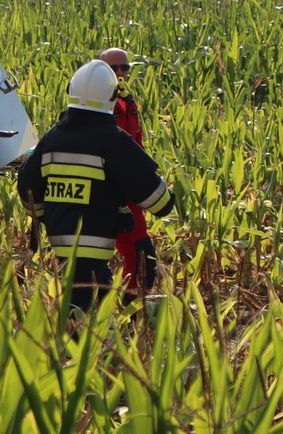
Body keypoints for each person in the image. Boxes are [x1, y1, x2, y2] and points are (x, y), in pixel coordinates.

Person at [17, 60, 174, 311]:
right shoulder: (112, 140)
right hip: (95, 248)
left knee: (80, 307)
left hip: (60, 246)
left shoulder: (51, 138)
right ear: (112, 98)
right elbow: (161, 202)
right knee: (87, 317)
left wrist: (51, 215)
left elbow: (27, 188)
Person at [100, 47, 155, 299]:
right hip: (109, 196)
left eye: (125, 68)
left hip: (130, 194)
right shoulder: (98, 107)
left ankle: (132, 314)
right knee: (95, 263)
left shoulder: (127, 102)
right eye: (114, 68)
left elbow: (137, 148)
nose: (120, 73)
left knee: (143, 256)